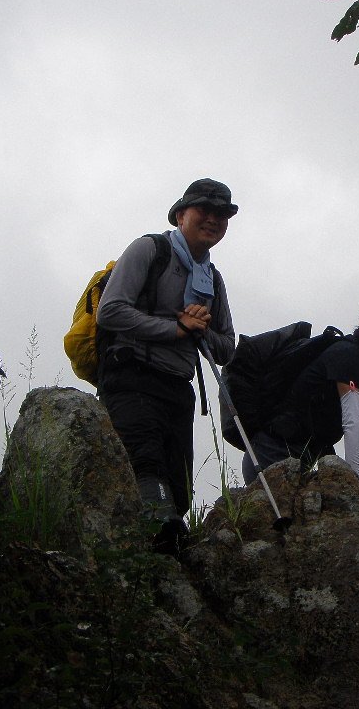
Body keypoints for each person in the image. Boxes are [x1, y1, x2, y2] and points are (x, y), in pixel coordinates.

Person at [96, 177, 237, 553]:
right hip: (130, 374)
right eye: (204, 210)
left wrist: (200, 328)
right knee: (145, 465)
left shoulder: (213, 279)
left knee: (179, 487)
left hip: (178, 386)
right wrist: (174, 328)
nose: (214, 219)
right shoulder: (150, 249)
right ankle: (151, 550)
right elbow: (109, 312)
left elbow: (227, 348)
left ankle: (166, 554)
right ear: (180, 214)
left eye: (222, 214)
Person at [241, 291, 359, 510]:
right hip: (272, 451)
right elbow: (352, 420)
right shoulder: (349, 353)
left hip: (306, 452)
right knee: (277, 521)